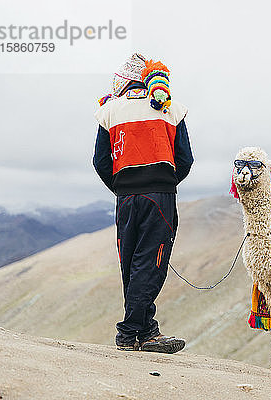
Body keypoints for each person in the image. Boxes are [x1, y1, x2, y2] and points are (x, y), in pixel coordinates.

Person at [93, 53, 193, 353]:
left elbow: (100, 161)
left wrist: (122, 187)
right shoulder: (171, 108)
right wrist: (165, 183)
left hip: (125, 198)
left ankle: (148, 332)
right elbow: (185, 159)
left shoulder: (109, 111)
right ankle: (128, 332)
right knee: (151, 264)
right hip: (159, 197)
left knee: (131, 262)